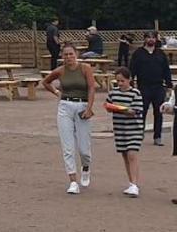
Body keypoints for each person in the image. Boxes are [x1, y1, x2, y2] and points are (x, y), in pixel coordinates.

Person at [41, 43, 96, 194]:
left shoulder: (85, 69)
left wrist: (89, 107)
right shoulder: (60, 71)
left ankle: (85, 167)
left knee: (84, 148)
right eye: (65, 55)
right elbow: (46, 81)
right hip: (65, 106)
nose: (68, 57)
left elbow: (91, 88)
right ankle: (72, 180)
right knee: (68, 146)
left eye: (71, 54)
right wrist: (56, 92)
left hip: (82, 106)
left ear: (76, 54)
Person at [128, 33, 173, 146]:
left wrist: (169, 85)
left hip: (158, 87)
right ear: (145, 39)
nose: (151, 39)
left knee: (159, 112)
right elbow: (132, 69)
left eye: (153, 37)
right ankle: (139, 134)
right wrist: (130, 83)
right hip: (143, 87)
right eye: (148, 37)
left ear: (155, 39)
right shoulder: (138, 53)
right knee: (141, 111)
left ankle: (157, 137)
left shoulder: (160, 53)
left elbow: (166, 70)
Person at [106, 67, 144, 197]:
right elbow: (107, 105)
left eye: (122, 81)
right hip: (120, 128)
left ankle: (134, 184)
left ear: (129, 80)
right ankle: (131, 182)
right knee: (125, 155)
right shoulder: (113, 93)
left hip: (134, 128)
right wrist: (112, 107)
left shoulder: (135, 93)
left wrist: (118, 108)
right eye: (118, 81)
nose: (120, 84)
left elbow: (136, 111)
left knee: (132, 154)